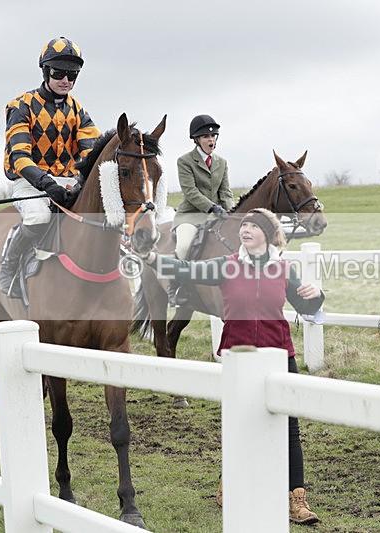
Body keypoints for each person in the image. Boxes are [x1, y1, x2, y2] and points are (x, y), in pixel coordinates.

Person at [137, 208, 322, 525]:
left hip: (280, 355)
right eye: (244, 225)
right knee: (241, 424)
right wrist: (152, 258)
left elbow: (306, 307)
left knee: (290, 430)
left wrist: (316, 296)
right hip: (240, 355)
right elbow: (184, 270)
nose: (245, 229)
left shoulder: (282, 268)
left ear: (267, 233)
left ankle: (296, 500)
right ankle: (231, 483)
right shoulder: (226, 265)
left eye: (253, 225)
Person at [0, 36, 100, 297]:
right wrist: (46, 184)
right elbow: (20, 158)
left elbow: (90, 152)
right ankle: (9, 267)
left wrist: (80, 183)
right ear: (46, 71)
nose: (66, 79)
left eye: (72, 74)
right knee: (39, 217)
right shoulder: (21, 106)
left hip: (66, 181)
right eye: (59, 72)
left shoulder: (79, 111)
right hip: (30, 182)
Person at [168, 114, 234, 306]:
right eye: (206, 136)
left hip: (217, 215)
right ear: (197, 139)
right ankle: (175, 287)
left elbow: (226, 191)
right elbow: (190, 192)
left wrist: (231, 211)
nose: (211, 140)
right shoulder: (185, 161)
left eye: (213, 136)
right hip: (191, 215)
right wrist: (212, 206)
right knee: (183, 246)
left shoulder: (222, 162)